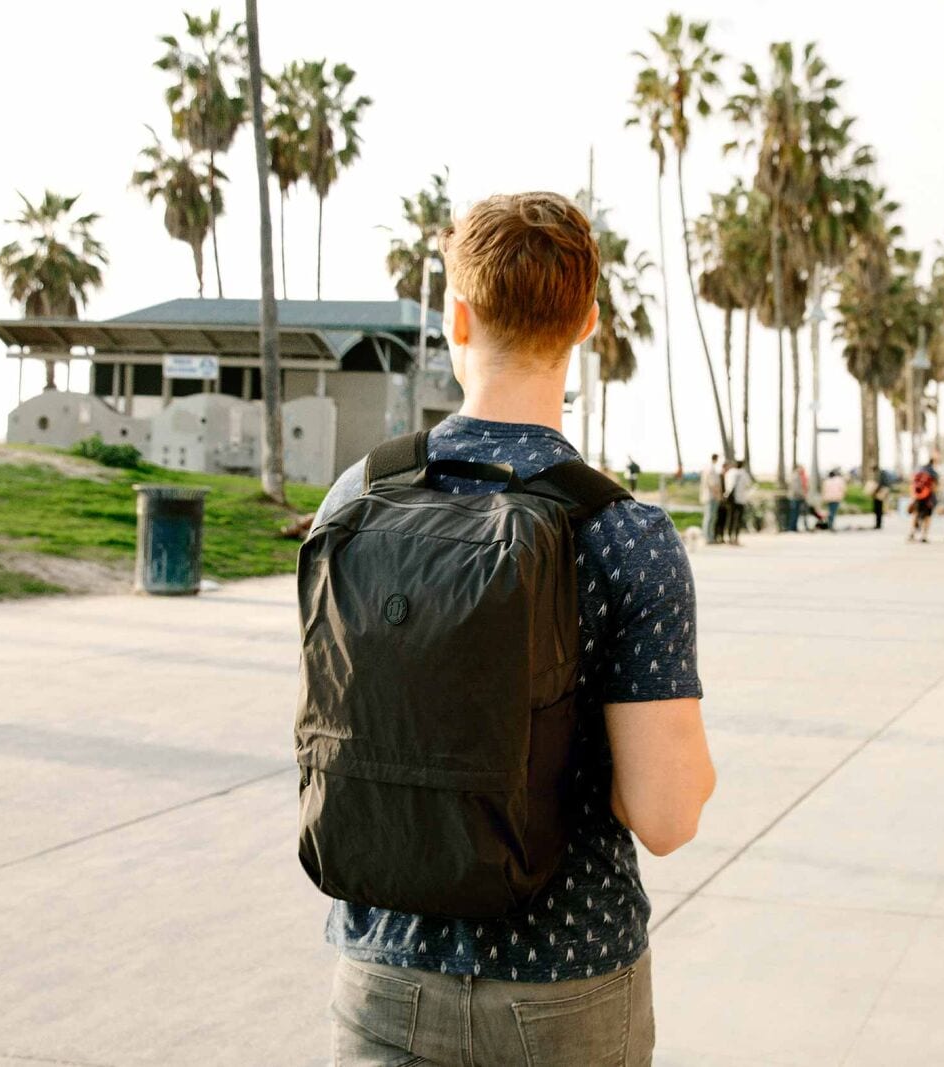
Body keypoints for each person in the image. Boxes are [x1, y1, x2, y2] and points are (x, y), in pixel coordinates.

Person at [309, 192, 714, 1064]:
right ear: (587, 324)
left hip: (384, 971)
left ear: (457, 314)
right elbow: (666, 813)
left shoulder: (358, 497)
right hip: (563, 980)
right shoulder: (622, 534)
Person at [908, 454, 939, 542]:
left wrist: (913, 496)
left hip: (917, 496)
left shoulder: (918, 470)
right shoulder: (933, 472)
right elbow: (935, 486)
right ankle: (924, 536)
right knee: (927, 516)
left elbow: (912, 483)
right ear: (933, 462)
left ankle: (912, 533)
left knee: (915, 514)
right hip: (928, 497)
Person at [722, 460, 747, 545]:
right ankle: (735, 538)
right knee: (738, 519)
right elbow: (748, 484)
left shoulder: (730, 473)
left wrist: (726, 495)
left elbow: (728, 486)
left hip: (731, 499)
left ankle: (728, 537)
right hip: (741, 499)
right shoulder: (744, 473)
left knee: (730, 518)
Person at [701, 453, 721, 544]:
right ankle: (708, 537)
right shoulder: (711, 469)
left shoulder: (707, 468)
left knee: (709, 517)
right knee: (710, 517)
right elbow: (712, 484)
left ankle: (709, 536)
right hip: (711, 496)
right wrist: (718, 495)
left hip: (709, 496)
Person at [821, 468, 847, 532]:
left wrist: (824, 498)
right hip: (836, 498)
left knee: (830, 511)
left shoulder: (826, 481)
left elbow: (823, 490)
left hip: (828, 498)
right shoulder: (839, 480)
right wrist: (843, 495)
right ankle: (831, 525)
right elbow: (843, 488)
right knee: (833, 512)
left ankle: (830, 524)